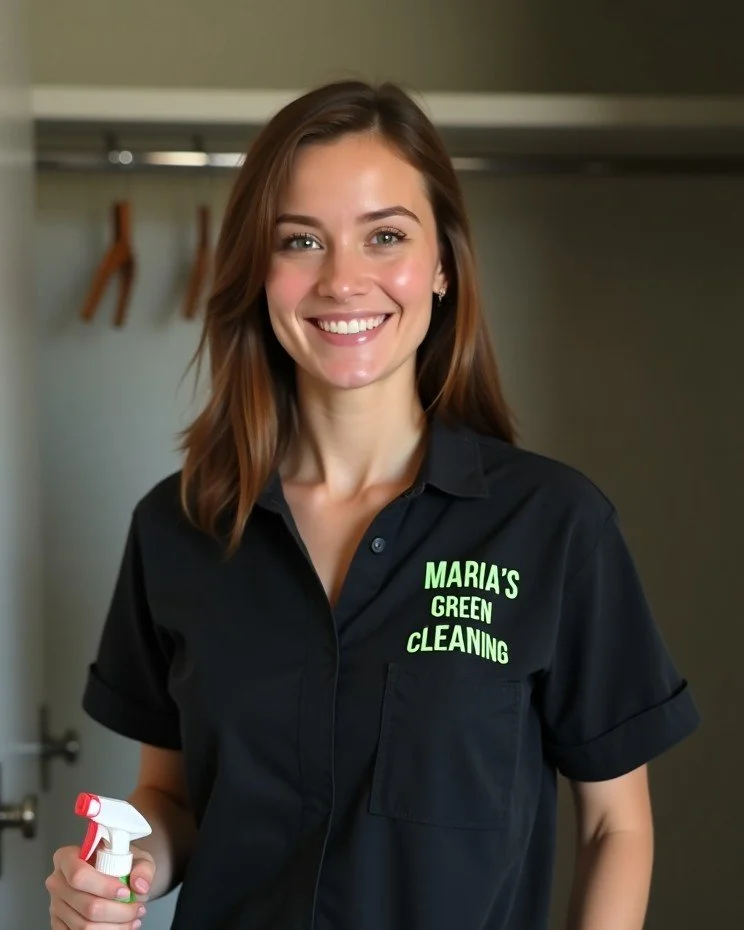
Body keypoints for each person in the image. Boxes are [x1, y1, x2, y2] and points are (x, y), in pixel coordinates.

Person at [46, 79, 700, 930]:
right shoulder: (178, 525)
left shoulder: (555, 526)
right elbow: (173, 796)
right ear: (259, 270)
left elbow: (617, 824)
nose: (344, 280)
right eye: (301, 241)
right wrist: (128, 869)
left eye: (384, 235)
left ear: (441, 266)